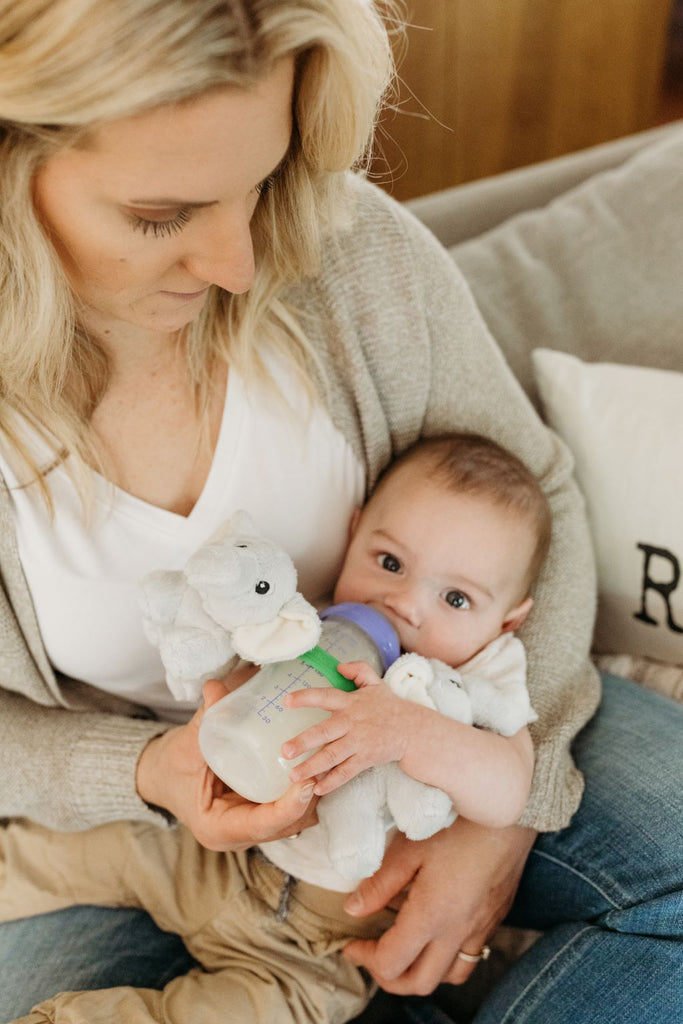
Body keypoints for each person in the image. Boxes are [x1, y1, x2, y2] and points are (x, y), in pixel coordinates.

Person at [0, 2, 679, 1023]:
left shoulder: (347, 251)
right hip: (140, 831)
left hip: (436, 710)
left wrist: (505, 805)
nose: (238, 260)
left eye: (261, 179)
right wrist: (143, 768)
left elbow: (536, 491)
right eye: (161, 214)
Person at [0, 431, 550, 1023]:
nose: (404, 604)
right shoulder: (313, 617)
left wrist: (412, 732)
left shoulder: (486, 672)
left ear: (508, 621)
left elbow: (510, 788)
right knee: (66, 850)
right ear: (354, 532)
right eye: (389, 562)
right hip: (202, 851)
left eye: (457, 599)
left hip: (315, 940)